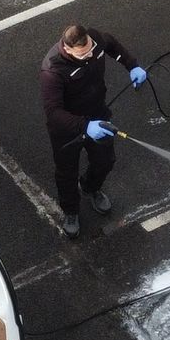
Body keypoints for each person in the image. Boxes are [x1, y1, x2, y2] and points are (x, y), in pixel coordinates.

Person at [39, 24, 148, 238]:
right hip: (68, 128)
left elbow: (112, 45)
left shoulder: (95, 39)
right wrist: (84, 126)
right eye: (83, 54)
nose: (89, 55)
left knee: (105, 161)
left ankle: (90, 187)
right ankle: (71, 211)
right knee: (66, 173)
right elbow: (53, 112)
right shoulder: (52, 70)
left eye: (90, 49)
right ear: (68, 49)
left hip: (98, 114)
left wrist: (132, 65)